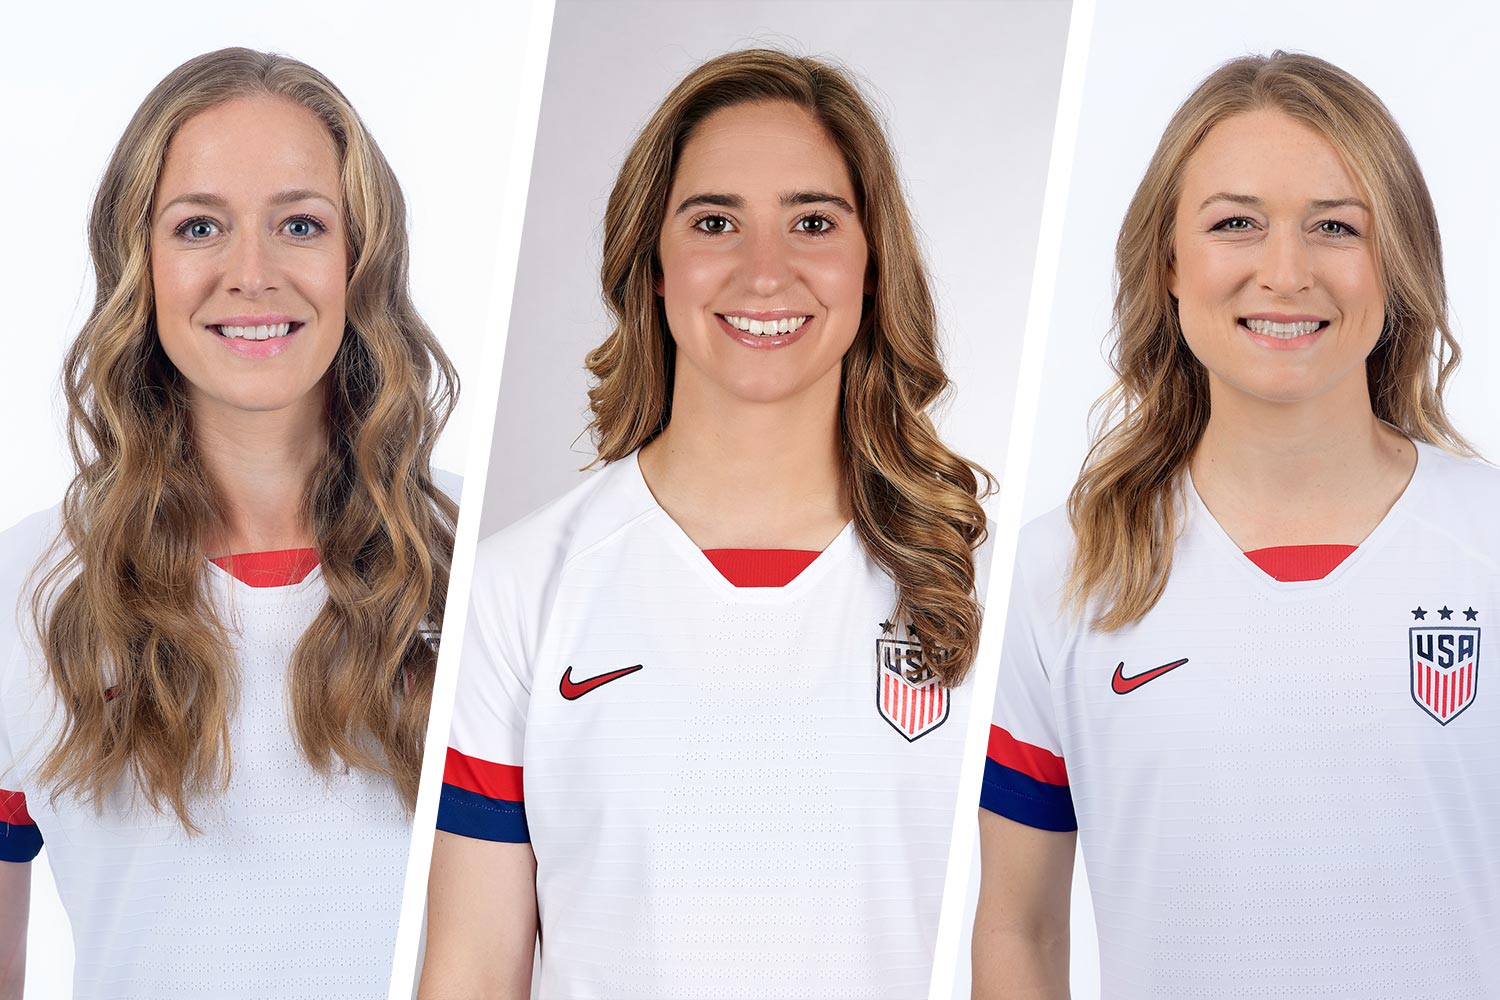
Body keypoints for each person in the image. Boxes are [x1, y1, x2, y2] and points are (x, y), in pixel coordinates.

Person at [421, 48, 990, 998]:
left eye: (813, 221)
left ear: (872, 260)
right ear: (651, 261)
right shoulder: (516, 589)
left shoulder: (977, 584)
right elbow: (472, 973)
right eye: (715, 222)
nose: (765, 273)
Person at [973, 52, 1499, 998]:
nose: (1285, 272)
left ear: (1400, 261)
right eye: (1236, 224)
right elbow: (1020, 925)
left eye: (1335, 226)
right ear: (1170, 262)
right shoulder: (1058, 572)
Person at [0, 47, 457, 999]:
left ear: (360, 258)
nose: (251, 274)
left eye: (299, 223)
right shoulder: (25, 589)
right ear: (139, 262)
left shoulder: (481, 566)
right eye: (200, 225)